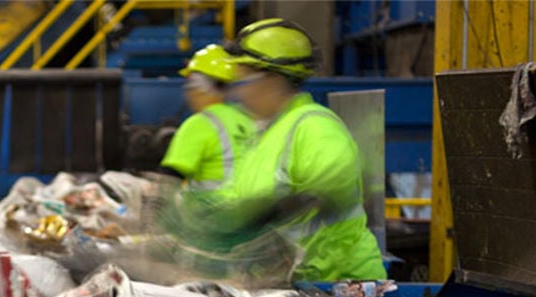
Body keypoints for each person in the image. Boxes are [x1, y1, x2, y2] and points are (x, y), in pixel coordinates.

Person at [221, 19, 385, 282]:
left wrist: (270, 214)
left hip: (341, 290)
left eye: (242, 79)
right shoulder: (264, 135)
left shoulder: (315, 126)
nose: (237, 92)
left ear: (271, 79)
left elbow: (332, 190)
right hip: (292, 285)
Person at [160, 44, 255, 193]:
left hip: (210, 212)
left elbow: (169, 181)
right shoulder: (247, 120)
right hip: (250, 210)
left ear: (199, 87)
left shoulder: (200, 124)